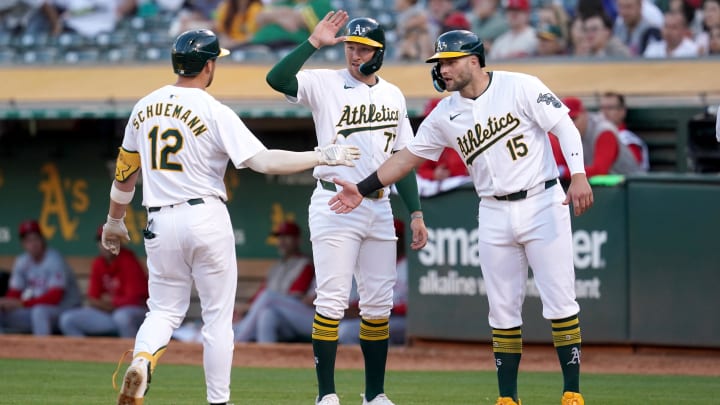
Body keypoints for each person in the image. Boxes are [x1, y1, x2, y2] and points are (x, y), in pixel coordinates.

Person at [328, 30, 593, 405]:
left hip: (542, 200)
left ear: (474, 60)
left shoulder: (520, 86)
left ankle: (571, 392)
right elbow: (406, 158)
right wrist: (362, 184)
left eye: (450, 61)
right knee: (501, 308)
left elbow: (564, 125)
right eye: (439, 62)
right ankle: (508, 398)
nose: (443, 69)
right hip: (493, 209)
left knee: (561, 301)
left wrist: (578, 174)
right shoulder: (444, 113)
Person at [101, 28, 360, 405]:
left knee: (163, 311)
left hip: (159, 220)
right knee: (217, 321)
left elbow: (125, 173)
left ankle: (142, 360)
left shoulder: (144, 106)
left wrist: (113, 220)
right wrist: (323, 155)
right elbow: (264, 160)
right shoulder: (212, 109)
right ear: (207, 66)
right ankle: (219, 401)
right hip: (204, 215)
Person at [265, 11, 428, 405]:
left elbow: (402, 159)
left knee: (377, 304)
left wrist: (416, 211)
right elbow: (276, 79)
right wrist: (315, 43)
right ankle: (327, 396)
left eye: (363, 48)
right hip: (335, 201)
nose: (355, 55)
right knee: (333, 299)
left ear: (380, 52)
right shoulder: (326, 82)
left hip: (379, 204)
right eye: (351, 47)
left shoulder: (392, 94)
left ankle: (374, 395)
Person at [232, 220, 316, 343]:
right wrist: (244, 308)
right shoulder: (275, 267)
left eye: (287, 237)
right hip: (273, 315)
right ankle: (264, 357)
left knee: (269, 297)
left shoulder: (305, 264)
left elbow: (295, 296)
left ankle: (238, 339)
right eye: (280, 237)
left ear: (297, 240)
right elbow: (259, 295)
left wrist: (248, 309)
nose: (282, 241)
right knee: (266, 314)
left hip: (291, 319)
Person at [58, 225, 148, 338]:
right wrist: (108, 304)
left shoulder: (128, 261)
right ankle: (88, 354)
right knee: (68, 319)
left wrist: (111, 302)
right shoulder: (98, 263)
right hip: (109, 314)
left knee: (122, 317)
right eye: (103, 241)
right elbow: (93, 299)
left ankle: (132, 353)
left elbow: (136, 300)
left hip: (134, 313)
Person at [0, 220, 82, 335]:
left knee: (39, 311)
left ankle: (42, 350)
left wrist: (22, 304)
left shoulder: (54, 260)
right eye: (28, 240)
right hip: (34, 308)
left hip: (63, 309)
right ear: (23, 244)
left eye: (35, 239)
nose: (33, 244)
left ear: (42, 240)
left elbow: (54, 297)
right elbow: (15, 292)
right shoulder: (22, 261)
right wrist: (7, 303)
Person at [339, 219, 408, 346]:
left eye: (394, 237)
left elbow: (417, 306)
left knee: (346, 331)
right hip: (378, 316)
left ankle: (393, 359)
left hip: (402, 319)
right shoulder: (377, 266)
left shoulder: (408, 267)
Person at [553, 96, 644, 179]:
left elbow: (600, 171)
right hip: (608, 189)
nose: (570, 124)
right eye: (564, 120)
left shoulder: (604, 131)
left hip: (632, 187)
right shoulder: (565, 133)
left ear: (584, 114)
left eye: (573, 119)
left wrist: (563, 172)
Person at [416, 98, 471, 197]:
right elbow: (422, 171)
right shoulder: (431, 144)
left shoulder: (464, 135)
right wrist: (434, 174)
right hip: (448, 196)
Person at [599, 91, 650, 170]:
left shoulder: (629, 141)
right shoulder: (597, 135)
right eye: (602, 108)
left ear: (622, 111)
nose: (604, 112)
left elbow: (633, 171)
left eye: (610, 108)